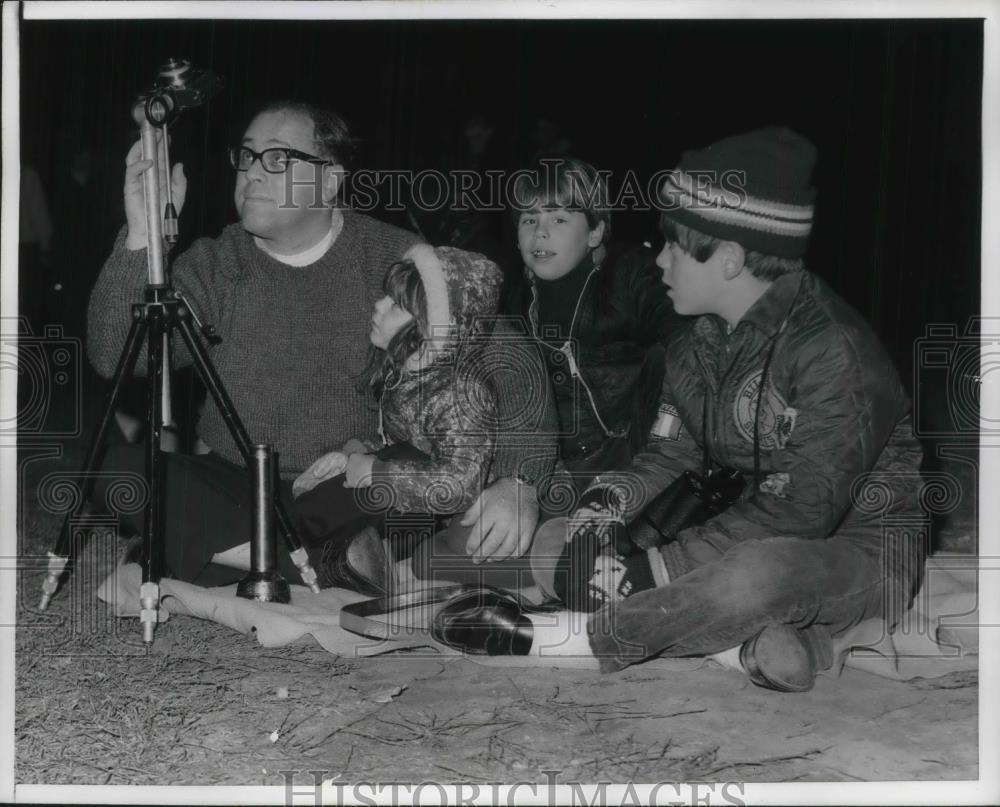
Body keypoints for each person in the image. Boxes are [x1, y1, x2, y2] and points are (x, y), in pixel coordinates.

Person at [433, 127, 926, 694]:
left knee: (756, 575)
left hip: (853, 549)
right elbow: (669, 455)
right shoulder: (697, 344)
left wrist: (651, 570)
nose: (658, 258)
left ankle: (565, 640)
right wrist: (603, 512)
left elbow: (801, 514)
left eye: (674, 244)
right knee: (557, 543)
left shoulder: (834, 351)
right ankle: (749, 647)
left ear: (731, 259)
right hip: (728, 527)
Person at [87, 100, 556, 586]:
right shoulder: (216, 264)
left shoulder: (393, 258)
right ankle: (322, 565)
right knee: (117, 468)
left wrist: (520, 478)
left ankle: (222, 552)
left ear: (329, 181)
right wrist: (142, 238)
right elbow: (117, 355)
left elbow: (510, 356)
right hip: (238, 481)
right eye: (246, 157)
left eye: (277, 159)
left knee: (409, 469)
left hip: (347, 485)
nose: (252, 173)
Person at [409, 157, 674, 589]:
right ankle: (561, 576)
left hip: (635, 466)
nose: (540, 231)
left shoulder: (631, 277)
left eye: (559, 217)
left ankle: (587, 570)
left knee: (569, 546)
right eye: (528, 219)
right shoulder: (511, 298)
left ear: (596, 231)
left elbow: (685, 342)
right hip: (556, 470)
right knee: (437, 556)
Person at [290, 245, 503, 594]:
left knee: (319, 510)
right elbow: (403, 440)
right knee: (330, 498)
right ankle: (337, 560)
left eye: (396, 306)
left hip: (443, 522)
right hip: (409, 510)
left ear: (431, 326)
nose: (378, 306)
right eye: (384, 297)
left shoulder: (462, 390)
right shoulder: (409, 373)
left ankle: (298, 539)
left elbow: (458, 485)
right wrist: (354, 456)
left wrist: (377, 471)